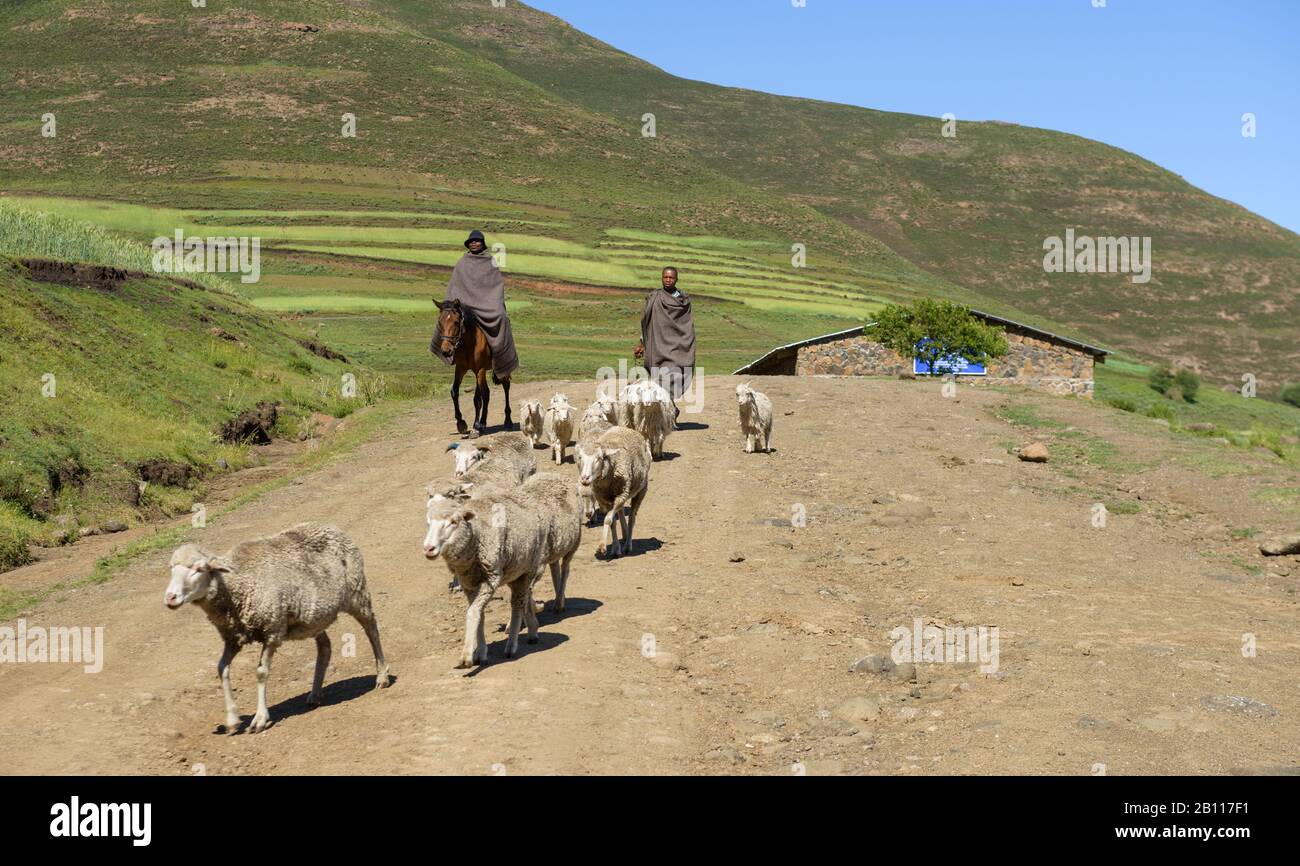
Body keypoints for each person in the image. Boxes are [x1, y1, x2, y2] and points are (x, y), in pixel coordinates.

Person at [444, 229, 519, 381]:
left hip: (486, 304)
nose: (474, 242)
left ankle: (501, 359)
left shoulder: (490, 262)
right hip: (465, 305)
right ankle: (447, 349)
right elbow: (455, 286)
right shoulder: (462, 263)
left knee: (502, 317)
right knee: (447, 318)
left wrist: (490, 302)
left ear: (483, 244)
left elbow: (495, 286)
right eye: (471, 241)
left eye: (477, 240)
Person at [635, 266, 696, 404]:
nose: (668, 280)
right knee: (660, 380)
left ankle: (669, 409)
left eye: (671, 277)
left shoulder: (683, 301)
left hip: (677, 349)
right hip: (657, 347)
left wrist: (687, 344)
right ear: (662, 278)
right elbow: (647, 323)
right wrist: (642, 343)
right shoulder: (654, 298)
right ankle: (669, 411)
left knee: (673, 378)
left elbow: (686, 326)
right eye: (665, 277)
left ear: (676, 279)